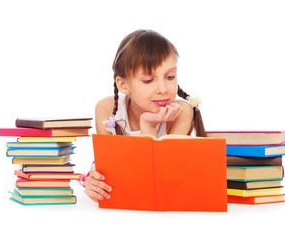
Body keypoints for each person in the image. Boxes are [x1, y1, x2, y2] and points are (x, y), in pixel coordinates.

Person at [82, 29, 206, 202]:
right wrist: (95, 184)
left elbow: (162, 179)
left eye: (170, 77)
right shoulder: (108, 109)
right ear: (123, 85)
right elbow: (111, 178)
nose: (163, 88)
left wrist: (148, 125)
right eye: (148, 80)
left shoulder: (181, 112)